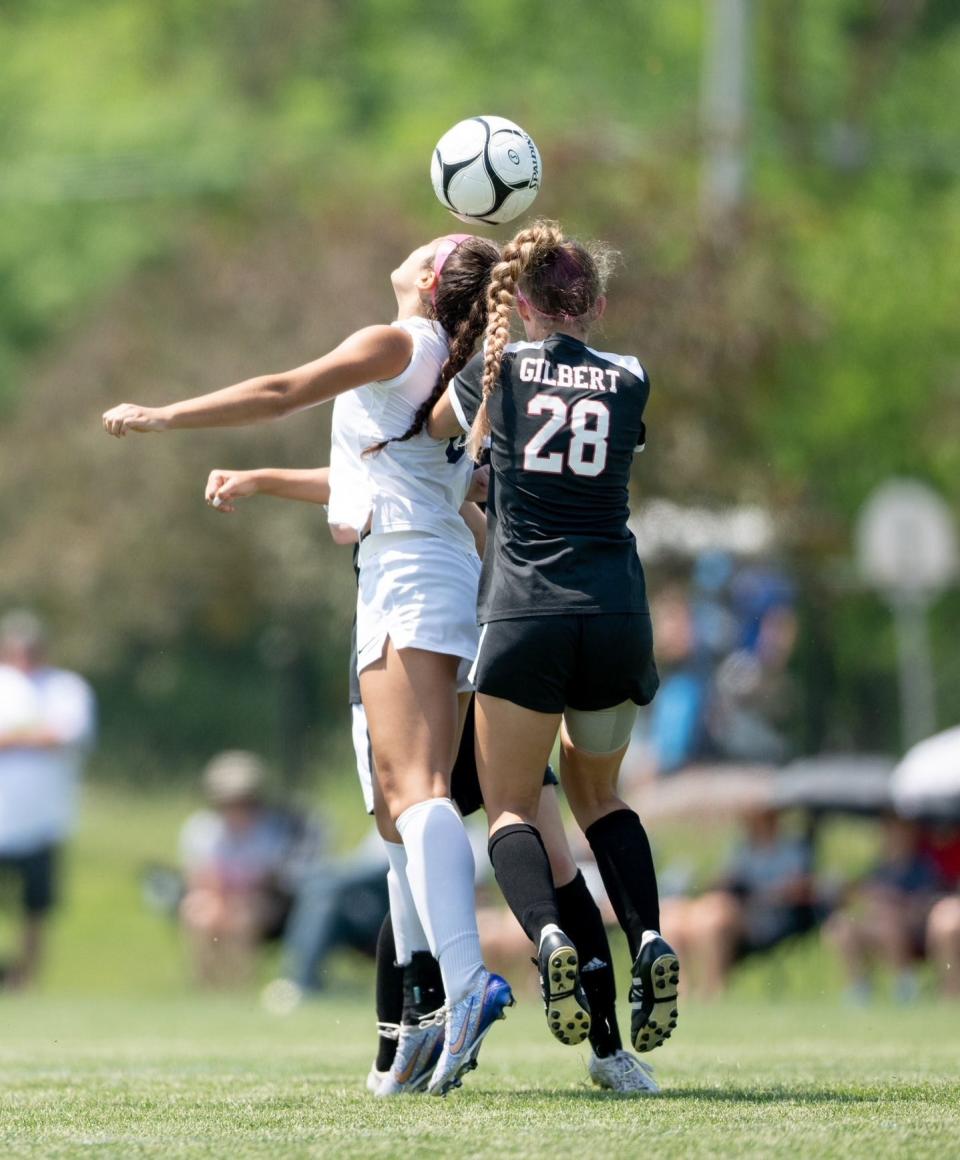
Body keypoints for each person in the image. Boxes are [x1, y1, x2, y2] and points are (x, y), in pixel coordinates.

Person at [103, 234, 513, 1097]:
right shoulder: (447, 361)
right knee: (398, 817)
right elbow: (373, 476)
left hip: (408, 571)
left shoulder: (396, 339)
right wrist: (258, 479)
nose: (411, 243)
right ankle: (421, 1021)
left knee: (419, 793)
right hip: (422, 565)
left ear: (432, 279)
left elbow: (282, 390)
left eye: (428, 244)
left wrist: (166, 416)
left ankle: (467, 983)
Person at [204, 461, 658, 1094]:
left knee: (411, 868)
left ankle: (400, 1046)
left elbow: (343, 489)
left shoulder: (402, 443)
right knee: (553, 858)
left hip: (404, 671)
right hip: (483, 674)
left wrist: (257, 479)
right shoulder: (461, 470)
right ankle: (608, 1049)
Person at [429, 219, 679, 1058]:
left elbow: (432, 432)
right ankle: (647, 938)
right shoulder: (632, 376)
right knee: (601, 797)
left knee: (509, 808)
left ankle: (549, 939)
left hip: (526, 613)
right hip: (616, 613)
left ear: (522, 302)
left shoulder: (487, 374)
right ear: (596, 304)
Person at [0, 610, 96, 990]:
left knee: (34, 909)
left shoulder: (66, 687)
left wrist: (13, 738)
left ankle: (26, 980)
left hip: (42, 819)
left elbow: (67, 735)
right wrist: (34, 736)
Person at [179, 750, 322, 987]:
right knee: (199, 913)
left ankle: (239, 985)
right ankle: (207, 986)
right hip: (217, 897)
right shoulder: (201, 830)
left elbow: (269, 881)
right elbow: (201, 879)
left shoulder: (270, 831)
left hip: (261, 902)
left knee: (242, 916)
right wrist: (219, 903)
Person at [661, 806, 817, 998]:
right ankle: (681, 989)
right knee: (674, 917)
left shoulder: (792, 849)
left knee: (714, 921)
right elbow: (727, 879)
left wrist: (761, 892)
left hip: (769, 918)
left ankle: (712, 988)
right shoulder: (742, 848)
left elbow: (800, 887)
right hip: (734, 907)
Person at [823, 815, 939, 1005]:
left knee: (888, 924)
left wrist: (893, 902)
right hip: (876, 926)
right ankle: (859, 988)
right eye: (889, 832)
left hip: (911, 930)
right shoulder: (879, 868)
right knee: (840, 927)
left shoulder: (922, 868)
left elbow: (925, 904)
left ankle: (905, 987)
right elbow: (860, 899)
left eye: (898, 832)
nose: (892, 838)